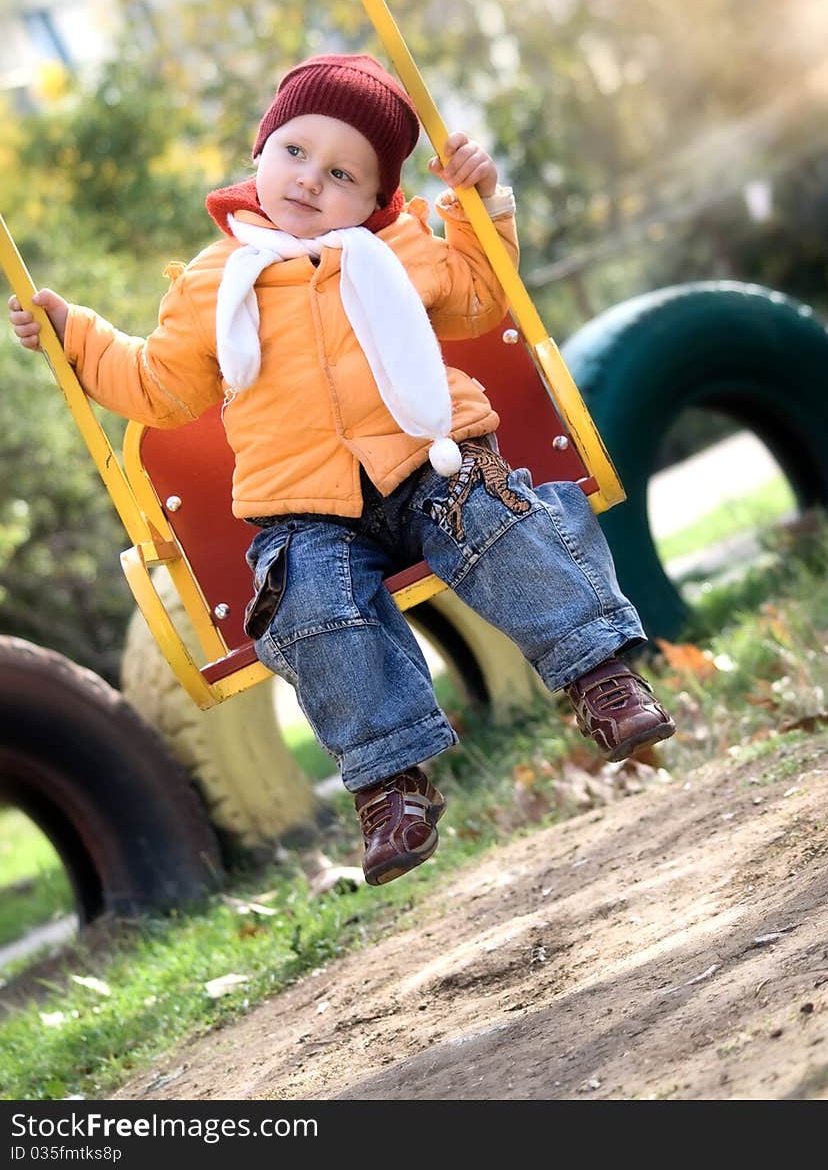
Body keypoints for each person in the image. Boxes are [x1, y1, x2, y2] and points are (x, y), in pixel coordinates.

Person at [8, 52, 675, 886]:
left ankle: (598, 674)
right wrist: (77, 336)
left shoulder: (397, 245)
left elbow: (479, 296)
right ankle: (392, 781)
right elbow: (159, 389)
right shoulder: (216, 282)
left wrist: (479, 208)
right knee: (308, 608)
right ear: (260, 150)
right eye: (294, 150)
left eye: (342, 173)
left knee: (501, 522)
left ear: (375, 198)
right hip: (303, 504)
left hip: (431, 457)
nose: (309, 180)